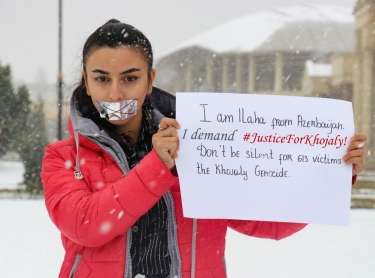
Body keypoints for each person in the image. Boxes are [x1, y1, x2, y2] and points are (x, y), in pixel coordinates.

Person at [41, 19, 367, 278]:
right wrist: (157, 167)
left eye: (129, 78)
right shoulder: (64, 157)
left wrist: (329, 175)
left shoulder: (202, 144)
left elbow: (269, 222)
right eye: (101, 79)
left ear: (150, 79)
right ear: (85, 80)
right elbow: (87, 225)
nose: (115, 94)